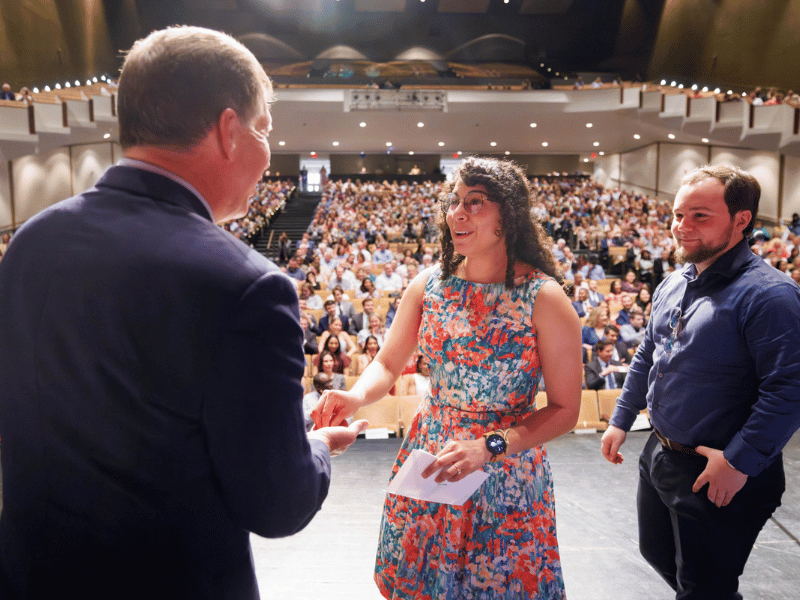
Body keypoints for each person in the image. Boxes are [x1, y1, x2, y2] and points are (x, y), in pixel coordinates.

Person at [0, 26, 367, 600]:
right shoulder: (246, 285)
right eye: (264, 128)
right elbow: (278, 504)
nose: (268, 152)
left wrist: (273, 419)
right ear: (228, 130)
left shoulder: (32, 241)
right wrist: (316, 447)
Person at [313, 157, 581, 599]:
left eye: (475, 203)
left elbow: (566, 410)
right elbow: (387, 363)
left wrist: (489, 446)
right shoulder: (429, 286)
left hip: (505, 465)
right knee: (422, 581)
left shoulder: (545, 299)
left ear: (507, 216)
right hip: (431, 452)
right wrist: (356, 395)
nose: (457, 212)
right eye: (454, 202)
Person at [601, 164, 800, 600]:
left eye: (699, 216)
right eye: (677, 215)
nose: (680, 227)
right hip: (661, 452)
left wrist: (739, 462)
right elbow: (648, 354)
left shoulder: (770, 295)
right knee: (658, 555)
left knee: (703, 587)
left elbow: (788, 390)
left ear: (741, 220)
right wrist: (621, 416)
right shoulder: (675, 281)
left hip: (720, 469)